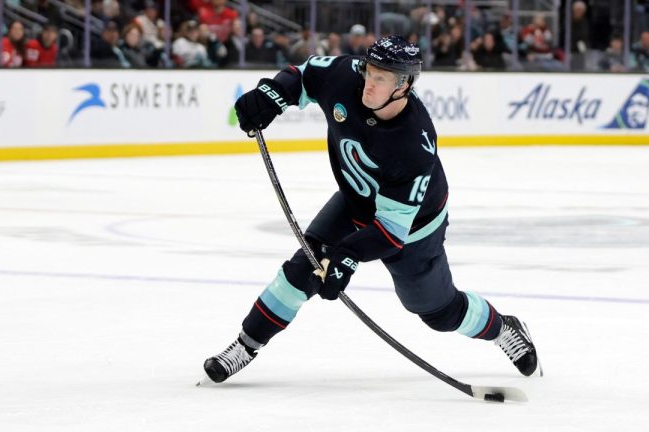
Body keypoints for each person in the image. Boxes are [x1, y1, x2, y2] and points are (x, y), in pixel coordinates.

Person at [199, 36, 541, 385]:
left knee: (438, 313)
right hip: (355, 203)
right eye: (369, 71)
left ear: (404, 85)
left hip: (415, 230)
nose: (369, 84)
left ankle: (502, 328)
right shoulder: (346, 76)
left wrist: (347, 256)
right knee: (301, 270)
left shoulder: (413, 143)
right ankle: (245, 345)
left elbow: (391, 233)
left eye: (382, 78)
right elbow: (303, 75)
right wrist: (270, 96)